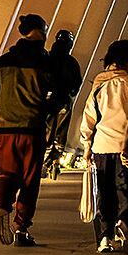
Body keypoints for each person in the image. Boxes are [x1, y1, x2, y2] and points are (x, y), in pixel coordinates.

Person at [0, 14, 55, 247]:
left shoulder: (5, 60)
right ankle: (21, 229)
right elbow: (57, 94)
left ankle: (3, 204)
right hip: (33, 129)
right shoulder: (46, 61)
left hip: (6, 128)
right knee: (30, 180)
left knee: (7, 172)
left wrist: (3, 106)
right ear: (42, 31)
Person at [75, 40, 128, 253]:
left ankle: (105, 237)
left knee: (105, 192)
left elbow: (89, 116)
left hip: (102, 145)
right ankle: (124, 224)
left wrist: (86, 145)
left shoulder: (100, 81)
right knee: (126, 190)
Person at [42, 28, 84, 172]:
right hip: (64, 100)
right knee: (61, 129)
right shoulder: (71, 62)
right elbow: (77, 83)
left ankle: (44, 154)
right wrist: (70, 94)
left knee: (46, 127)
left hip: (46, 100)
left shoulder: (47, 58)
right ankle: (55, 156)